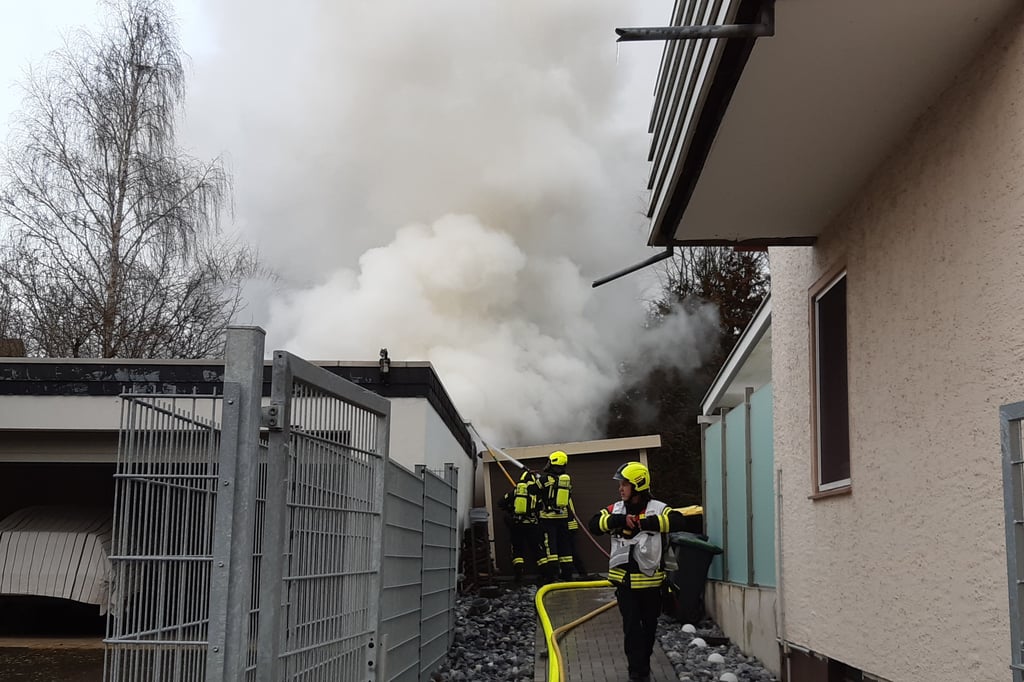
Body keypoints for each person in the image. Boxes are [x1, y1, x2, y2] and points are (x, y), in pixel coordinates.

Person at [588, 461, 686, 682]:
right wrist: (618, 520)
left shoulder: (658, 508)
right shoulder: (616, 509)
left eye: (625, 484)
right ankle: (637, 672)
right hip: (625, 585)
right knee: (632, 629)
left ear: (638, 485)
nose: (620, 488)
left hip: (652, 585)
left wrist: (646, 523)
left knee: (649, 629)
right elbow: (594, 524)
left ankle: (644, 665)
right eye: (620, 484)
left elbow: (678, 520)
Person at [499, 469, 546, 583]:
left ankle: (519, 574)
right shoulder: (535, 494)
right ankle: (545, 574)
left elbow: (500, 503)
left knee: (517, 550)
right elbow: (541, 508)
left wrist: (512, 509)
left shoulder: (515, 492)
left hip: (516, 525)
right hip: (532, 525)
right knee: (537, 549)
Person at [538, 450, 573, 582]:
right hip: (563, 518)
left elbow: (533, 490)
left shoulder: (544, 480)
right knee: (565, 547)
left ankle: (553, 577)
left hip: (548, 519)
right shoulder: (566, 481)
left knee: (551, 547)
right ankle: (568, 576)